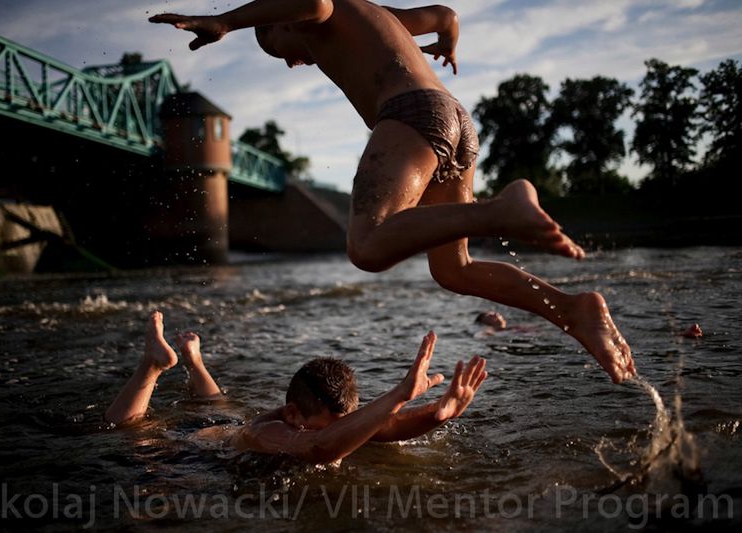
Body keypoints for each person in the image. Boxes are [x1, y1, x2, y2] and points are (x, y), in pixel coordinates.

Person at [149, 0, 637, 383]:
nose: (294, 62)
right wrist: (448, 46)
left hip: (413, 115)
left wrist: (225, 23)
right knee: (454, 269)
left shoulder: (321, 10)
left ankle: (500, 210)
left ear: (283, 21)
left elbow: (312, 2)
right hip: (456, 120)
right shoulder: (379, 15)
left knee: (366, 244)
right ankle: (572, 308)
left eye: (279, 47)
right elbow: (446, 17)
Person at [105, 312, 488, 464]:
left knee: (218, 403)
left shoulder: (321, 420)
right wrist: (400, 393)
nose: (341, 432)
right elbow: (320, 447)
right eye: (330, 425)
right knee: (132, 437)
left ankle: (194, 359)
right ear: (293, 415)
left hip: (226, 422)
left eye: (343, 423)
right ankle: (152, 367)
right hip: (195, 444)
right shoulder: (268, 432)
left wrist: (439, 413)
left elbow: (383, 427)